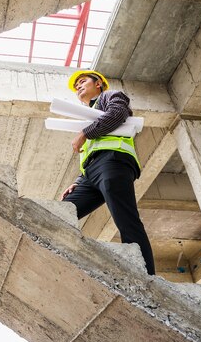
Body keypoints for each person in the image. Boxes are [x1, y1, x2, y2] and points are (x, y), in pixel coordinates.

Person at [60, 70, 155, 275]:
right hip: (90, 175)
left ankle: (145, 276)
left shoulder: (109, 96)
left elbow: (118, 114)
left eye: (83, 81)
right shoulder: (88, 117)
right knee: (61, 212)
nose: (78, 86)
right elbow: (90, 153)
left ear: (99, 84)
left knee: (126, 220)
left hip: (113, 162)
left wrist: (85, 133)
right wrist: (78, 180)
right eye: (76, 84)